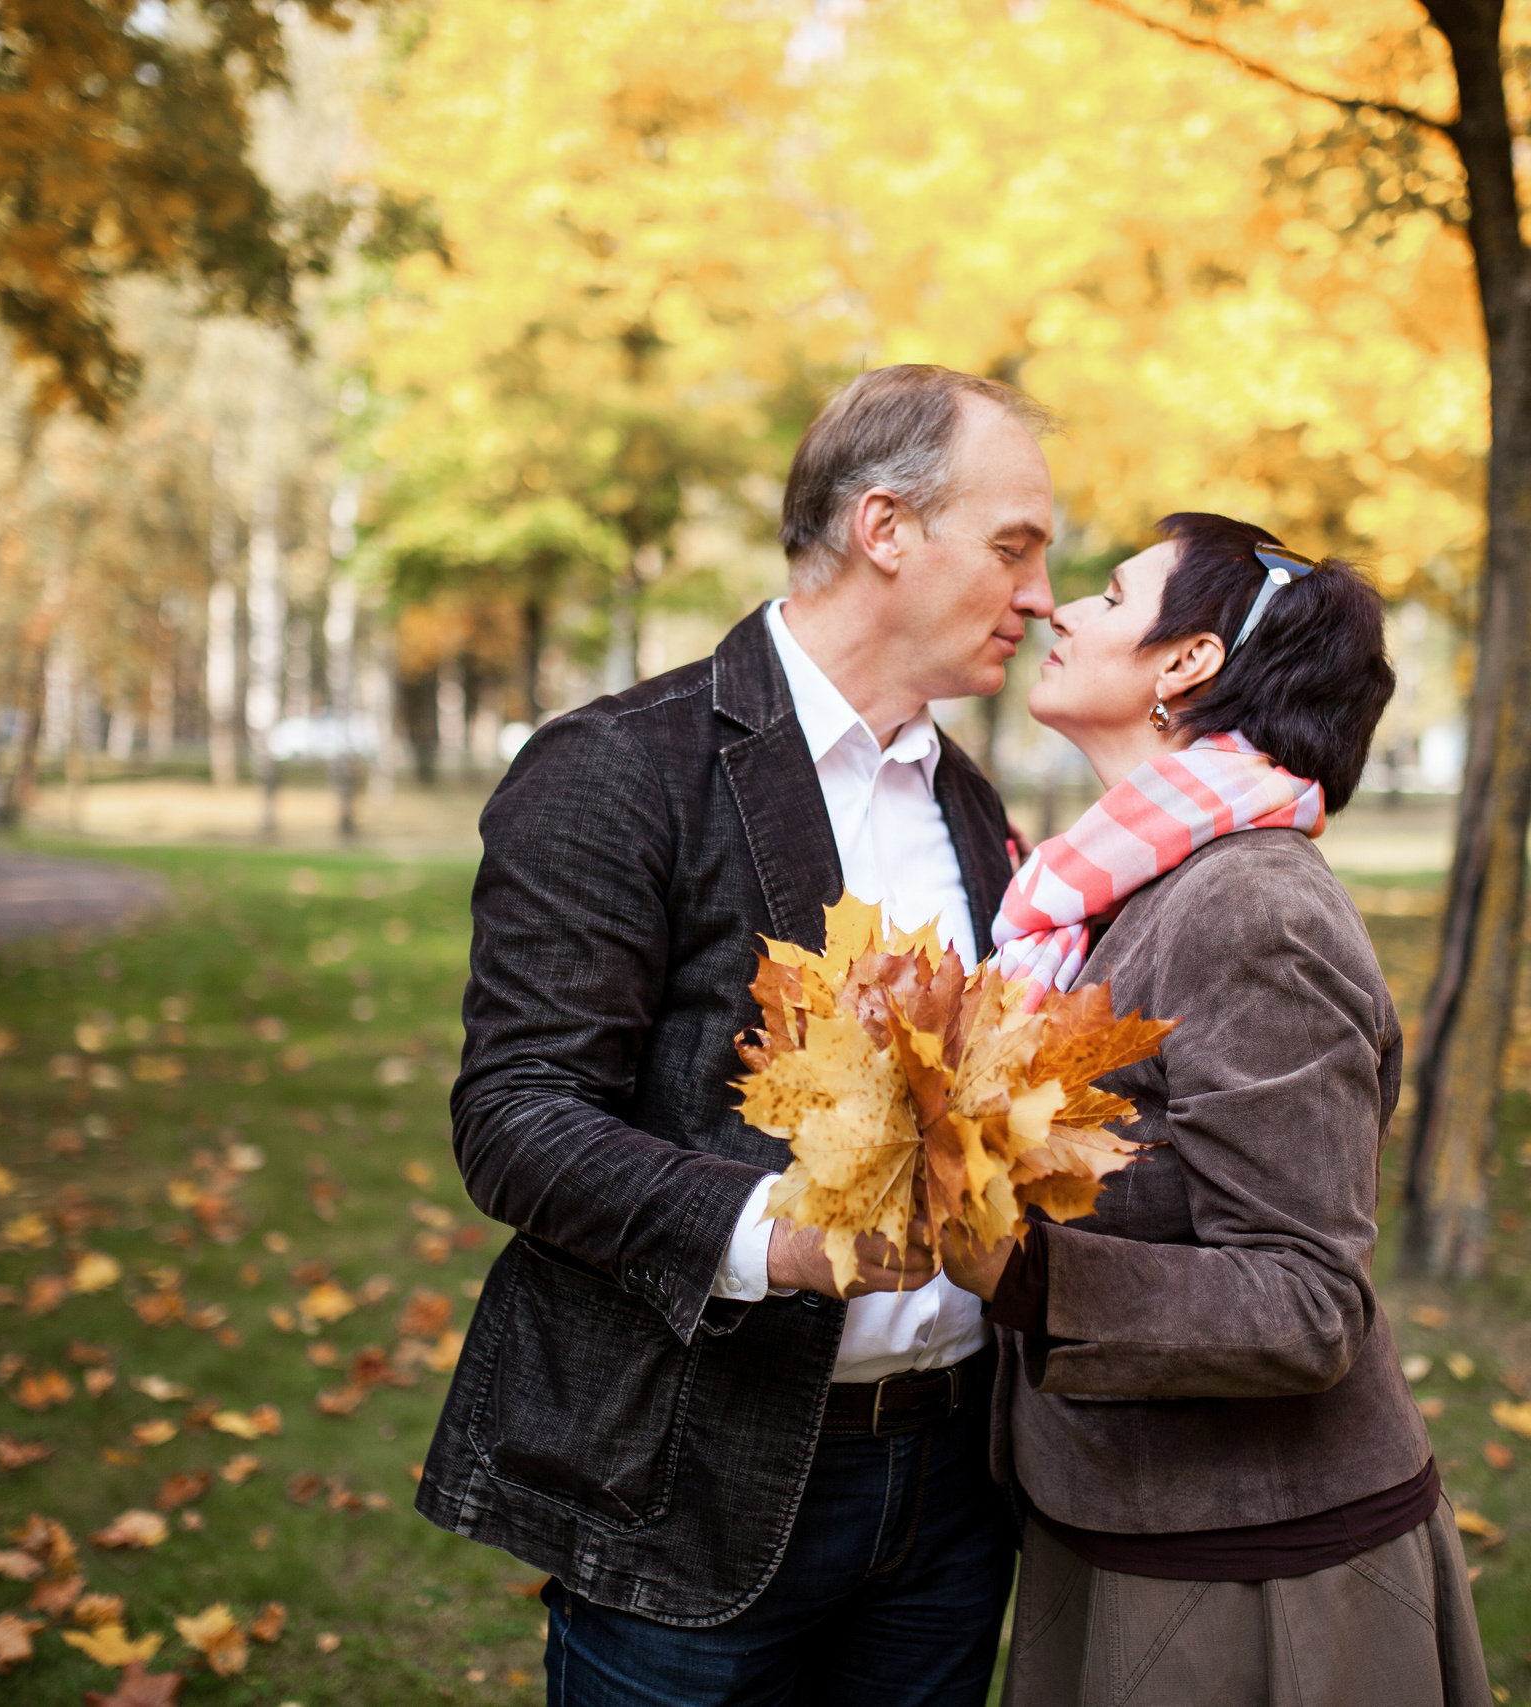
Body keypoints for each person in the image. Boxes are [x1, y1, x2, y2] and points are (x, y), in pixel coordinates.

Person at [418, 364, 1059, 1706]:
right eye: (1014, 546)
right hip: (695, 1469)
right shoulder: (619, 766)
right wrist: (776, 1234)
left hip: (950, 1491)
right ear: (885, 529)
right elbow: (519, 1113)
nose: (1043, 593)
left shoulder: (970, 799)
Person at [940, 512, 1494, 1707]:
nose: (1055, 609)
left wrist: (1022, 1275)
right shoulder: (1106, 895)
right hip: (1116, 1518)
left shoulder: (1251, 908)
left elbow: (1303, 1302)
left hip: (1257, 1574)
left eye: (1107, 594)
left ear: (1185, 662)